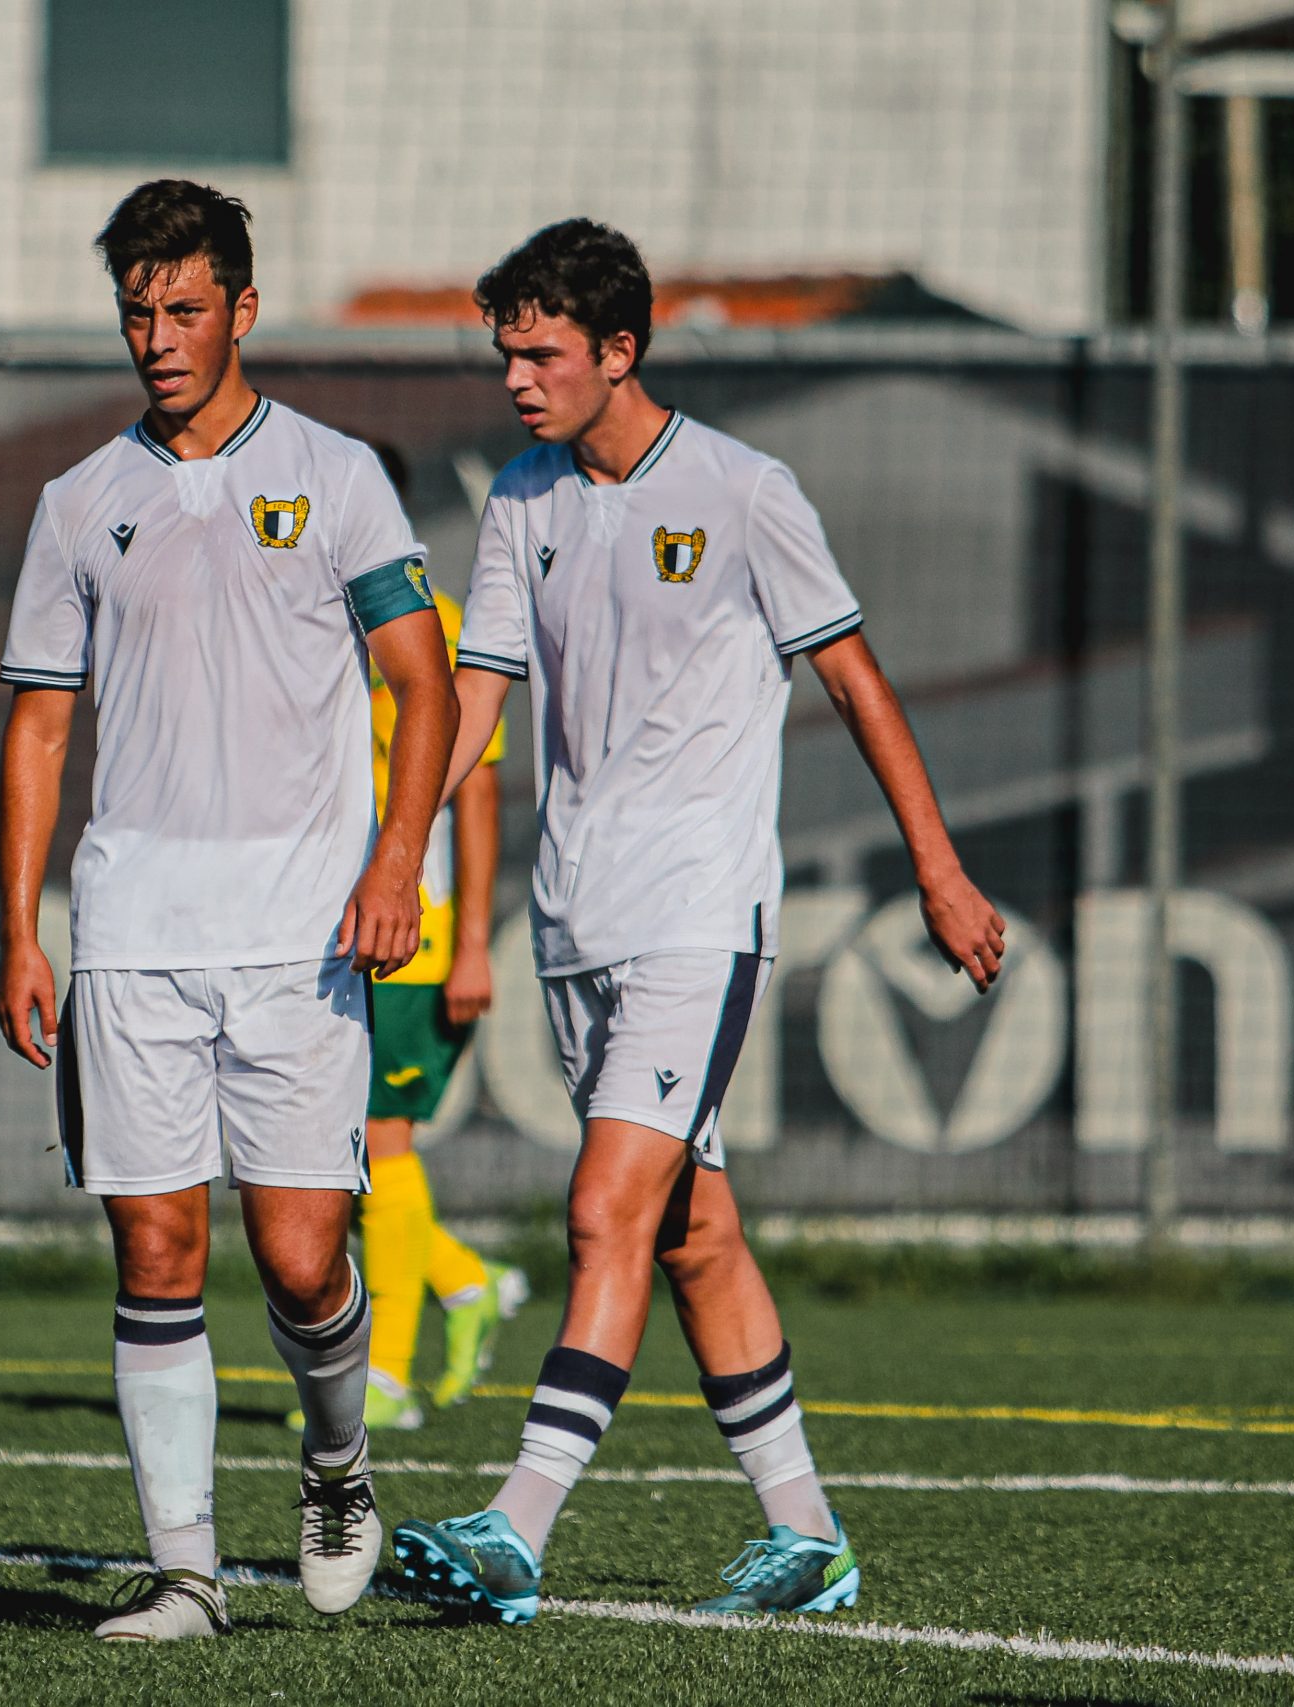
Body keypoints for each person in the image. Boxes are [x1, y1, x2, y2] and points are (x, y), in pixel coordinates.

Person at [391, 220, 1006, 1623]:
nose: (517, 376)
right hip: (572, 919)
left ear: (621, 350)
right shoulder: (522, 502)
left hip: (697, 913)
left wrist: (941, 869)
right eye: (505, 350)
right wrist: (389, 851)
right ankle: (809, 1532)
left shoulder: (743, 489)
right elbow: (478, 701)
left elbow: (852, 679)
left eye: (543, 351)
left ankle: (515, 1526)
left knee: (606, 1205)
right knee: (692, 1233)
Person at [0, 180, 456, 1641]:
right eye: (137, 308)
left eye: (185, 306)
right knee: (155, 1251)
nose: (158, 334)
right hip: (133, 934)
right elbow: (39, 728)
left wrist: (398, 861)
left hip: (304, 937)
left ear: (243, 310)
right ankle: (186, 1571)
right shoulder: (79, 501)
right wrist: (22, 926)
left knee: (307, 1256)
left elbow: (426, 685)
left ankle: (336, 1459)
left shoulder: (333, 475)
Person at [336, 440, 530, 1432]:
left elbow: (479, 792)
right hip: (316, 931)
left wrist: (474, 946)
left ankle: (386, 1376)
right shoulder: (301, 621)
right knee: (331, 1163)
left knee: (379, 1140)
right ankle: (465, 1283)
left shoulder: (440, 628)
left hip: (419, 927)